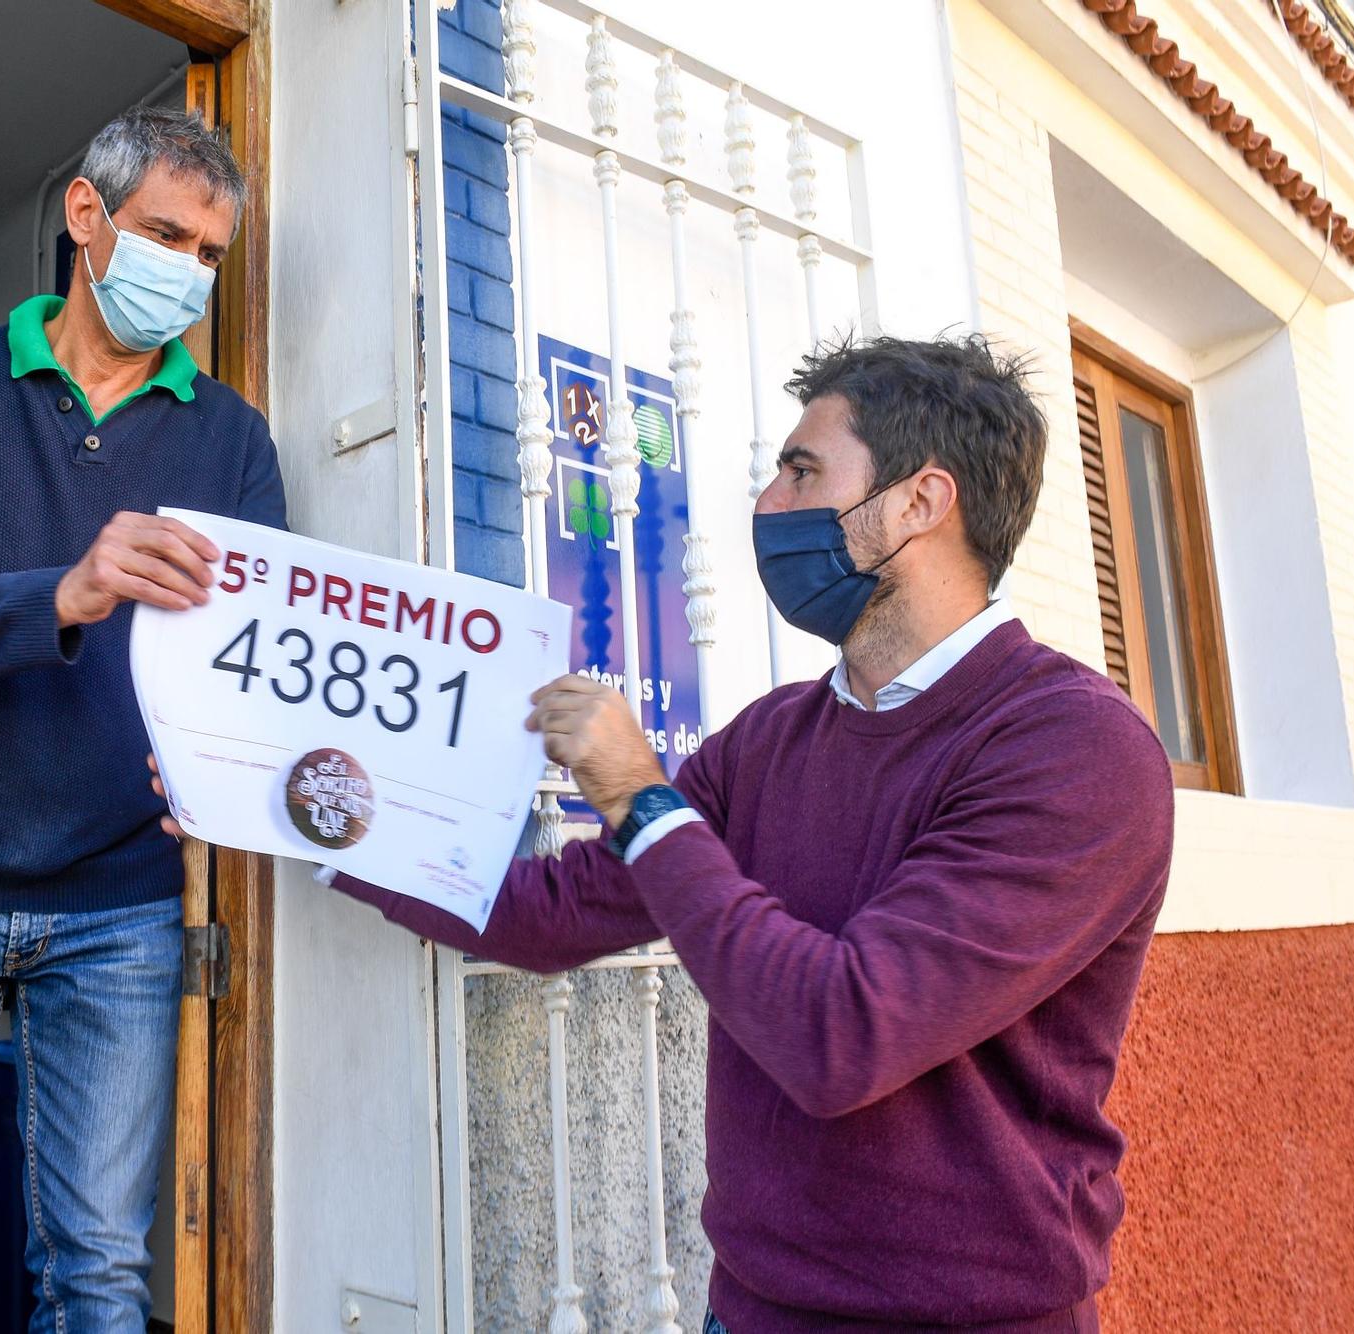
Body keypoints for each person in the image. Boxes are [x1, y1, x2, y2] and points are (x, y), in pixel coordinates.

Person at [319, 335, 1172, 1331]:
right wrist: (311, 816)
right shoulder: (773, 738)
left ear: (918, 502)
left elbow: (840, 1032)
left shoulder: (1070, 747)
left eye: (801, 470)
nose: (766, 503)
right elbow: (546, 916)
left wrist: (640, 795)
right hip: (753, 1304)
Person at [0, 106, 285, 1333]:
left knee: (97, 1274)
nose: (185, 273)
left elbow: (255, 669)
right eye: (163, 236)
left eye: (209, 254)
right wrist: (68, 592)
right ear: (86, 217)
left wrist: (232, 771)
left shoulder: (234, 440)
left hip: (120, 901)